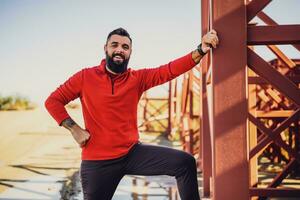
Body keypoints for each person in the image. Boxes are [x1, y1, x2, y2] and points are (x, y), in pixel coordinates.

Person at [45, 27, 219, 200]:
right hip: (98, 161)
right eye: (115, 45)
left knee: (185, 163)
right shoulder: (85, 77)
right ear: (105, 48)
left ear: (130, 52)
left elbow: (169, 70)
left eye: (125, 47)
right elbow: (53, 101)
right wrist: (74, 128)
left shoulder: (137, 79)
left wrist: (201, 49)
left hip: (132, 154)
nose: (120, 49)